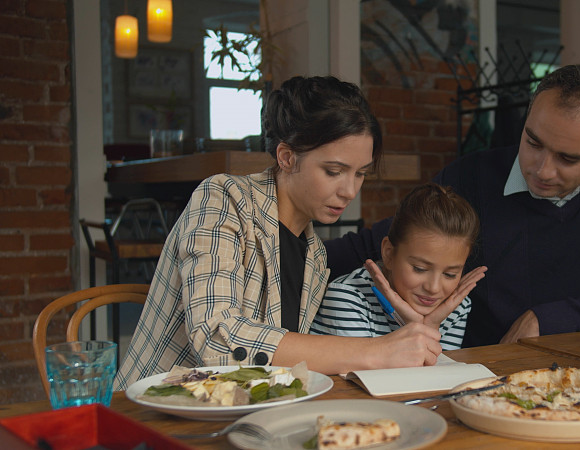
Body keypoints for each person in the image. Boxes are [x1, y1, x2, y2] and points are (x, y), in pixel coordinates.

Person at [324, 64, 580, 347]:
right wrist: (276, 254)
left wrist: (547, 318)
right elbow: (381, 244)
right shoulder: (473, 176)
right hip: (486, 374)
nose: (542, 170)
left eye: (567, 158)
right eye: (533, 142)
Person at [115, 76, 444, 389]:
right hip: (151, 412)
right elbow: (218, 336)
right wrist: (375, 352)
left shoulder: (314, 254)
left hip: (240, 416)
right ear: (286, 157)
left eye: (360, 174)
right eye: (333, 171)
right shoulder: (223, 198)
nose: (349, 191)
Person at [310, 183, 487, 350]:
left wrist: (430, 325)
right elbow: (369, 381)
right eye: (419, 268)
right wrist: (418, 328)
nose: (433, 288)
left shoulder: (455, 306)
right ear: (388, 253)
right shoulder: (347, 298)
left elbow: (440, 379)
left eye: (450, 274)